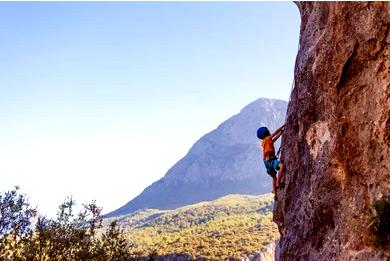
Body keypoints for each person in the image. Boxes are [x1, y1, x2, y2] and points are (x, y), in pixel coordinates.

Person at [257, 125, 286, 200]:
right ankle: (278, 183)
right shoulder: (267, 139)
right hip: (271, 160)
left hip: (266, 162)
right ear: (267, 133)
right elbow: (275, 133)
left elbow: (274, 139)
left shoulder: (265, 142)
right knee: (282, 167)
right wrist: (284, 125)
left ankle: (275, 193)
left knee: (273, 177)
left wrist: (281, 133)